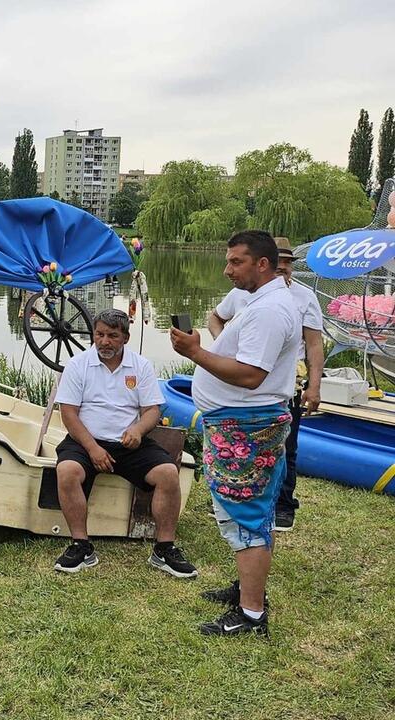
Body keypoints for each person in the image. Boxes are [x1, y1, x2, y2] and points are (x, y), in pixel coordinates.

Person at [172, 230, 300, 637]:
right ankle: (249, 590)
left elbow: (250, 375)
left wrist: (196, 353)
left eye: (236, 262)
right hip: (241, 423)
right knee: (253, 515)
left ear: (262, 264)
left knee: (243, 515)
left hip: (245, 426)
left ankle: (251, 615)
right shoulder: (264, 301)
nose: (227, 270)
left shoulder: (269, 310)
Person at [53, 308, 197, 578]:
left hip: (129, 443)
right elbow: (69, 414)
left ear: (125, 338)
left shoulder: (140, 366)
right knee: (67, 470)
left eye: (112, 336)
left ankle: (164, 549)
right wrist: (93, 449)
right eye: (99, 334)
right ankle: (81, 546)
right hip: (85, 441)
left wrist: (139, 430)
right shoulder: (77, 364)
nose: (104, 341)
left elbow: (153, 410)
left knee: (167, 473)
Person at [207, 237, 323, 531]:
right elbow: (216, 318)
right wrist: (223, 350)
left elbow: (314, 343)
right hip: (242, 397)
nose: (282, 269)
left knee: (288, 448)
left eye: (286, 264)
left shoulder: (297, 299)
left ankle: (283, 504)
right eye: (279, 262)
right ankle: (236, 496)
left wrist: (314, 384)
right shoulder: (244, 294)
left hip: (280, 386)